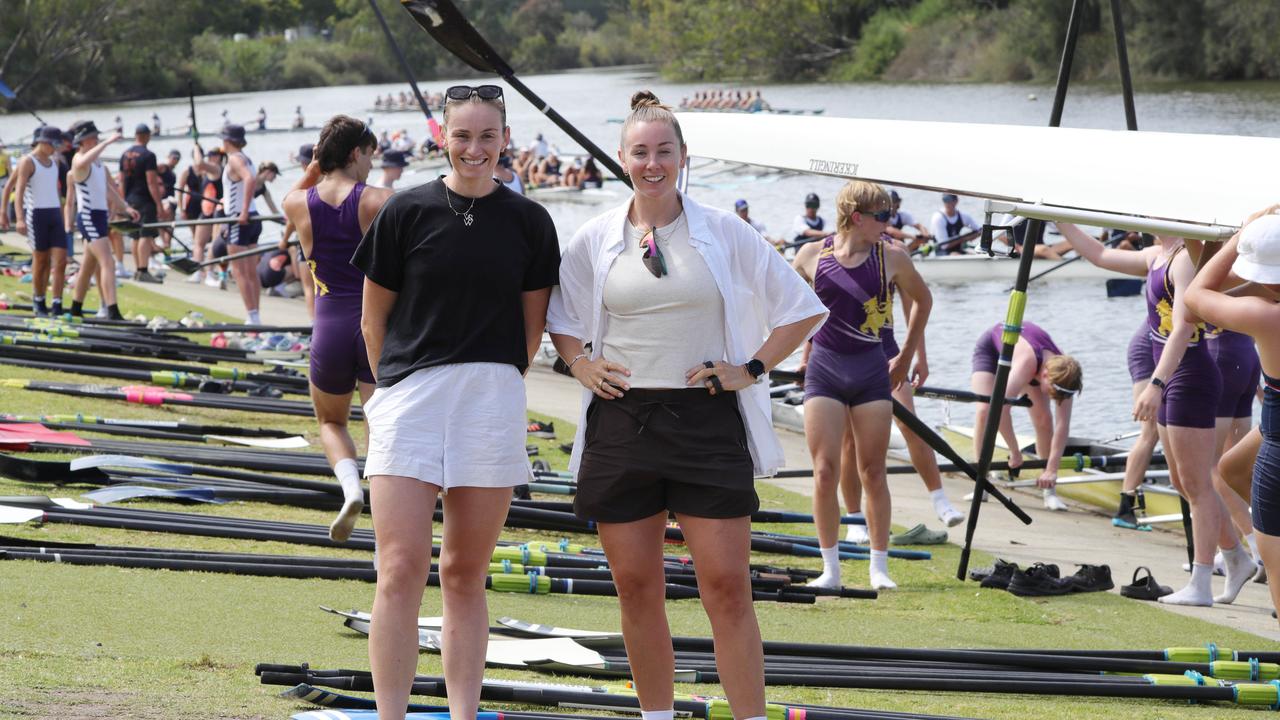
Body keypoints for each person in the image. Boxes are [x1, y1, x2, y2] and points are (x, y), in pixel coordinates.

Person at [548, 91, 826, 720]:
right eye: (640, 152)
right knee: (637, 588)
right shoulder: (595, 236)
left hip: (705, 420)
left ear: (682, 157)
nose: (653, 164)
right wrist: (581, 363)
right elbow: (560, 317)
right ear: (622, 159)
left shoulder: (724, 230)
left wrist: (750, 369)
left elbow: (802, 309)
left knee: (727, 589)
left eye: (663, 152)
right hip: (623, 421)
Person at [353, 84, 559, 720]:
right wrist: (400, 386)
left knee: (466, 574)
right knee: (400, 569)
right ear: (442, 137)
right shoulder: (405, 211)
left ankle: (462, 714)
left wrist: (492, 383)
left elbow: (533, 330)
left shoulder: (530, 221)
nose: (475, 148)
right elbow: (372, 321)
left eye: (487, 136)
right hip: (411, 398)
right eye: (462, 135)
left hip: (491, 400)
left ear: (505, 140)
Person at [1058, 222, 1252, 606]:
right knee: (1183, 481)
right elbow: (1099, 255)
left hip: (1189, 376)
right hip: (1172, 376)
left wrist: (1155, 384)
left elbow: (1182, 328)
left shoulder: (1183, 261)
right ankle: (1236, 558)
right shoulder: (1155, 256)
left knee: (1197, 484)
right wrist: (1059, 221)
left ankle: (1201, 583)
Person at [793, 181, 932, 590]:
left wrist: (906, 356)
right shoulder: (810, 255)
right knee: (824, 470)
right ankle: (830, 570)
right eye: (883, 217)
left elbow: (923, 301)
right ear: (857, 217)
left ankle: (879, 567)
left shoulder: (893, 258)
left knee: (873, 471)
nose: (890, 224)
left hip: (873, 371)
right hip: (825, 370)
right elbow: (785, 302)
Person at [283, 115, 392, 543]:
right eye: (368, 154)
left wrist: (317, 163)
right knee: (380, 425)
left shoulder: (296, 203)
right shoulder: (379, 200)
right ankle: (387, 508)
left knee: (331, 421)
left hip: (327, 326)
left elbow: (300, 186)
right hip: (373, 325)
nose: (370, 164)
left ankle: (350, 489)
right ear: (354, 153)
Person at [1186, 211, 1280, 616]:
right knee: (1231, 467)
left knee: (1278, 568)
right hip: (1274, 418)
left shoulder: (1266, 314)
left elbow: (1194, 298)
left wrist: (1242, 235)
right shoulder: (1264, 306)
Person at [968, 320, 1083, 511]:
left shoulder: (1066, 377)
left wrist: (1052, 469)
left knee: (1045, 421)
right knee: (985, 411)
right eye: (1053, 393)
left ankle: (1049, 491)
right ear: (1044, 376)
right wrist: (1015, 452)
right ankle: (982, 484)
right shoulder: (1027, 364)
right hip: (991, 349)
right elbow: (1000, 411)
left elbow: (1062, 426)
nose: (1056, 399)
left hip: (1031, 362)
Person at [62, 122, 135, 320]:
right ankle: (112, 310)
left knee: (87, 266)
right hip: (88, 217)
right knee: (108, 262)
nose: (97, 140)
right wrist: (108, 142)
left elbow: (108, 190)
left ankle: (75, 308)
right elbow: (82, 162)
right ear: (83, 141)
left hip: (100, 217)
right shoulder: (79, 160)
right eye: (93, 137)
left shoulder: (98, 164)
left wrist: (125, 208)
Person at [12, 126, 66, 317]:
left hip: (54, 216)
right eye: (54, 144)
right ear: (43, 142)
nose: (56, 148)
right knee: (41, 261)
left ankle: (57, 303)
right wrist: (18, 218)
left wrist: (63, 216)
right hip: (36, 216)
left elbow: (56, 192)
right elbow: (17, 192)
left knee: (61, 261)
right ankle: (39, 300)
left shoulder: (55, 162)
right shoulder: (28, 161)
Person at [219, 124, 264, 324]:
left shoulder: (235, 159)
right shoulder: (246, 158)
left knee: (239, 270)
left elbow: (250, 179)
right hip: (252, 217)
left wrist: (242, 210)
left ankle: (252, 316)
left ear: (228, 141)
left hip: (240, 219)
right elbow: (241, 184)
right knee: (251, 271)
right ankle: (256, 316)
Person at [119, 123, 166, 282]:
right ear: (146, 136)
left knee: (135, 236)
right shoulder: (148, 155)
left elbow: (121, 180)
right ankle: (143, 270)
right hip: (145, 199)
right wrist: (159, 204)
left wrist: (123, 202)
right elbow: (151, 181)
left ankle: (138, 269)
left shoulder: (125, 154)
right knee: (145, 234)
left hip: (130, 200)